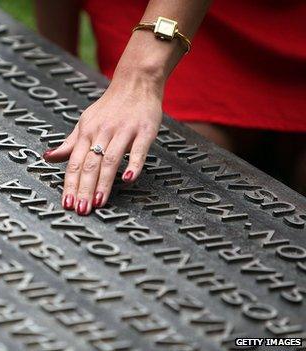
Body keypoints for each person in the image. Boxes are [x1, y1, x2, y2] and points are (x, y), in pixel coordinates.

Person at [36, 0, 306, 216]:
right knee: (171, 162)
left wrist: (140, 76)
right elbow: (55, 64)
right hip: (157, 14)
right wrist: (57, 65)